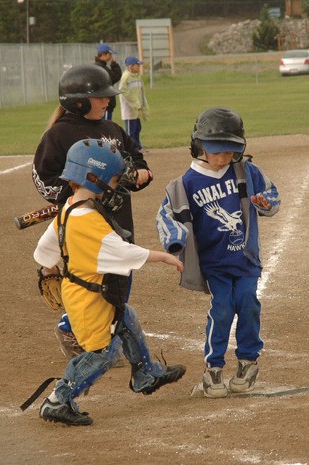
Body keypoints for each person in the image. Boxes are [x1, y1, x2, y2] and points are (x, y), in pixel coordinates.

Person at [31, 138, 186, 426]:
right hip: (88, 300)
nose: (116, 185)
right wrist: (163, 257)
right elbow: (122, 250)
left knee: (126, 317)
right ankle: (57, 400)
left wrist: (50, 267)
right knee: (103, 353)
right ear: (94, 178)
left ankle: (145, 374)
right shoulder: (86, 220)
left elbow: (45, 250)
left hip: (86, 291)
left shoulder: (68, 209)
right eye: (114, 179)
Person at [155, 107, 281, 398]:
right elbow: (166, 216)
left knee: (248, 303)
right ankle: (213, 368)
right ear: (199, 147)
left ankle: (248, 362)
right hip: (214, 264)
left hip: (245, 258)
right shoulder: (185, 184)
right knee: (223, 309)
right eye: (216, 151)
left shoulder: (246, 172)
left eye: (229, 151)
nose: (223, 158)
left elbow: (273, 197)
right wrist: (175, 241)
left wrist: (265, 203)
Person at [32, 64, 151, 363]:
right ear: (79, 101)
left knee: (121, 277)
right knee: (92, 282)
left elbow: (136, 158)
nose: (107, 102)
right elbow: (43, 177)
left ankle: (103, 335)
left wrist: (140, 173)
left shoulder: (112, 130)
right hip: (83, 223)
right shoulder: (59, 135)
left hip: (117, 218)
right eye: (101, 97)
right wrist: (71, 194)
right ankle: (71, 329)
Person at [118, 56, 149, 150]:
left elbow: (141, 92)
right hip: (129, 110)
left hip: (137, 109)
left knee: (137, 129)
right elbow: (123, 91)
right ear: (131, 66)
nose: (139, 67)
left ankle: (137, 147)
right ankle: (130, 149)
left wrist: (143, 105)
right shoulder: (126, 76)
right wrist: (135, 103)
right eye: (137, 65)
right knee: (130, 131)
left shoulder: (137, 76)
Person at [94, 43, 122, 121]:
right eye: (109, 54)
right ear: (103, 54)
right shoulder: (102, 69)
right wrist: (114, 65)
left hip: (102, 104)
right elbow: (115, 77)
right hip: (104, 104)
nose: (111, 57)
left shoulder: (99, 67)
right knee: (104, 127)